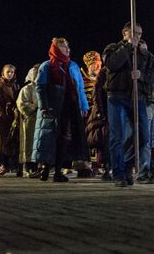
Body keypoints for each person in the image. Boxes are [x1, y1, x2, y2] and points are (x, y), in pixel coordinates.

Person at [103, 22, 154, 187]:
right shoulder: (113, 48)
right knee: (118, 136)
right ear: (125, 33)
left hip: (138, 98)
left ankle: (127, 166)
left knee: (143, 136)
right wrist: (128, 47)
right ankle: (119, 174)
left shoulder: (144, 54)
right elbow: (112, 64)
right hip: (117, 96)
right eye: (134, 33)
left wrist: (141, 75)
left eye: (140, 33)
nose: (138, 36)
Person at [32, 39, 90, 182]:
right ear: (56, 50)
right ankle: (45, 168)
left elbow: (79, 88)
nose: (67, 50)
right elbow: (40, 87)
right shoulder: (47, 66)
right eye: (63, 47)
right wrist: (43, 105)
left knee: (64, 139)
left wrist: (83, 106)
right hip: (52, 107)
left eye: (67, 47)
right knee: (49, 139)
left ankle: (58, 170)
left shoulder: (73, 66)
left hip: (69, 107)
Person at [0, 65, 19, 176]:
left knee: (7, 142)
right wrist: (1, 112)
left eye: (11, 72)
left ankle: (5, 165)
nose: (10, 74)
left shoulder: (14, 85)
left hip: (9, 117)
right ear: (3, 73)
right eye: (8, 72)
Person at [86, 65, 110, 180]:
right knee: (104, 140)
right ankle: (106, 167)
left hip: (113, 110)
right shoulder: (104, 72)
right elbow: (97, 93)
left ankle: (109, 167)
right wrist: (100, 111)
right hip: (104, 113)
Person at [16, 64, 40, 177]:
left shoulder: (45, 87)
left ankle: (39, 166)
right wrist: (35, 106)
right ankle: (29, 167)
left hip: (42, 120)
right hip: (31, 120)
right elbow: (22, 104)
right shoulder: (27, 89)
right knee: (29, 143)